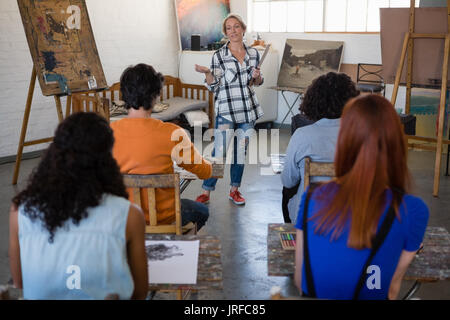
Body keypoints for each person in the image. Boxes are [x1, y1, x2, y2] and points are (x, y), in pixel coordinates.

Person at [294, 95, 429, 300]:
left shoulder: (312, 196)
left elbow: (299, 278)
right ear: (397, 145)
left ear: (344, 141)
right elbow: (390, 289)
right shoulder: (413, 210)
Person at [9, 112, 148, 300]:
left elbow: (19, 283)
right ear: (107, 159)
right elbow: (139, 293)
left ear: (55, 152)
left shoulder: (21, 212)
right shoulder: (129, 216)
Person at [110, 63, 212, 230]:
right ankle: (174, 245)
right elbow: (204, 172)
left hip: (123, 218)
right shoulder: (173, 133)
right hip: (165, 217)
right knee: (201, 211)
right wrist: (206, 163)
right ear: (155, 96)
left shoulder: (108, 133)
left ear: (124, 96)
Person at [194, 13, 263, 205]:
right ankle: (206, 191)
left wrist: (257, 75)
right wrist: (208, 73)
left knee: (241, 152)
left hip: (247, 111)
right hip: (226, 111)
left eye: (236, 27)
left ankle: (234, 190)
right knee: (219, 152)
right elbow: (213, 86)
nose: (233, 31)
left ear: (243, 29)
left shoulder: (254, 54)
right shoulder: (219, 56)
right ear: (226, 32)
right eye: (229, 28)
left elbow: (256, 82)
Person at [281, 72, 359, 223]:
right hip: (351, 218)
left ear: (314, 101)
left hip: (309, 217)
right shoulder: (361, 136)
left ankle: (295, 235)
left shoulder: (302, 135)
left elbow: (288, 181)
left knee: (288, 189)